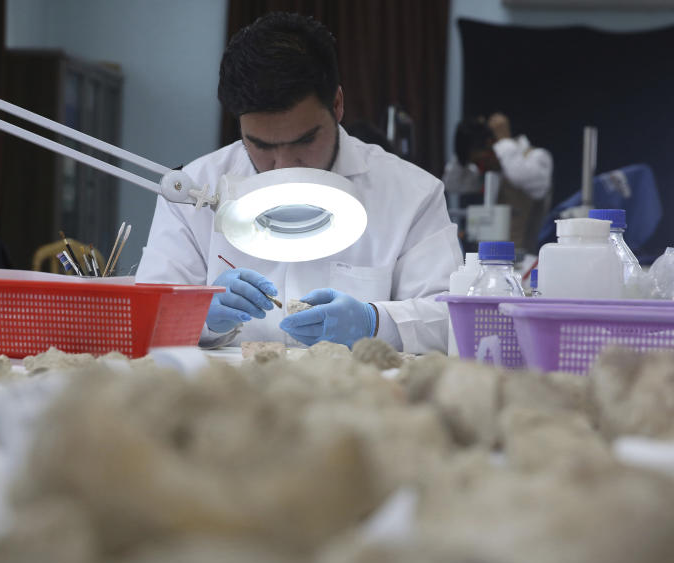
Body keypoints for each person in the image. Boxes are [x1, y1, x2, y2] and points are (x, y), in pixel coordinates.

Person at [136, 12, 462, 353]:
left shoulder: (411, 194)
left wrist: (374, 322)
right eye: (261, 145)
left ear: (336, 105)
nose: (283, 165)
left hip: (361, 396)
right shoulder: (193, 190)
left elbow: (450, 321)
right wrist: (201, 314)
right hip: (224, 395)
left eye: (304, 141)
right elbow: (146, 318)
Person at [444, 113, 553, 253]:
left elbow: (522, 177)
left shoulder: (536, 158)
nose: (480, 167)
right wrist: (461, 153)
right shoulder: (489, 172)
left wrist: (504, 142)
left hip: (523, 262)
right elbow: (453, 183)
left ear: (491, 144)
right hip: (487, 261)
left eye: (480, 161)